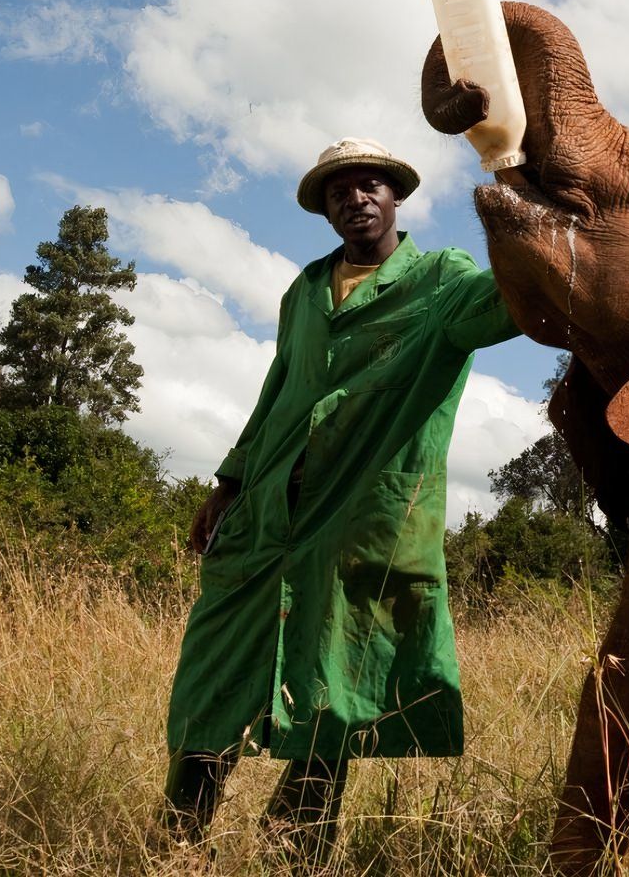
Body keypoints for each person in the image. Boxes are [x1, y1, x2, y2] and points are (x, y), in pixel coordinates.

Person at [160, 137, 520, 862]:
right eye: (338, 191)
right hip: (267, 510)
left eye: (369, 186)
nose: (354, 199)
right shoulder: (305, 290)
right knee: (212, 679)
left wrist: (521, 206)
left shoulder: (440, 278)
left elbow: (504, 309)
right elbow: (278, 391)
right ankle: (175, 846)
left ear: (395, 198)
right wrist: (228, 483)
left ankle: (296, 850)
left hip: (357, 518)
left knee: (333, 688)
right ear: (325, 210)